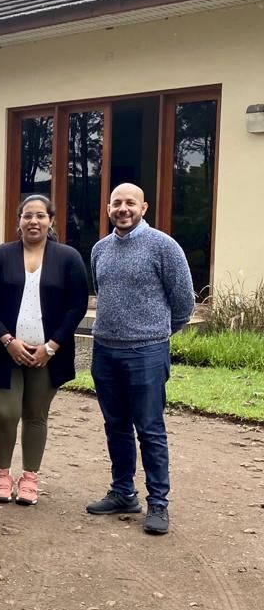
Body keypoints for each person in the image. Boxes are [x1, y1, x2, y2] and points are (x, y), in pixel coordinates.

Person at [86, 183, 194, 535]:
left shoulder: (164, 247)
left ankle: (158, 504)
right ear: (107, 208)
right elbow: (102, 293)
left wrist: (156, 333)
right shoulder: (100, 249)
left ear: (144, 207)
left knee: (149, 429)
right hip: (104, 350)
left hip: (147, 351)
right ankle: (122, 492)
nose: (123, 208)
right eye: (117, 203)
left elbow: (183, 304)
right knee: (115, 425)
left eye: (130, 202)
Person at [0, 194, 88, 505]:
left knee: (36, 415)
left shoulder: (68, 258)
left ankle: (29, 477)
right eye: (28, 216)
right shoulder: (0, 256)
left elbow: (78, 305)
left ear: (50, 221)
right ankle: (2, 473)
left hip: (47, 355)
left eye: (40, 216)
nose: (33, 221)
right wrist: (7, 340)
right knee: (5, 413)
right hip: (3, 351)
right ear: (18, 221)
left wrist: (51, 347)